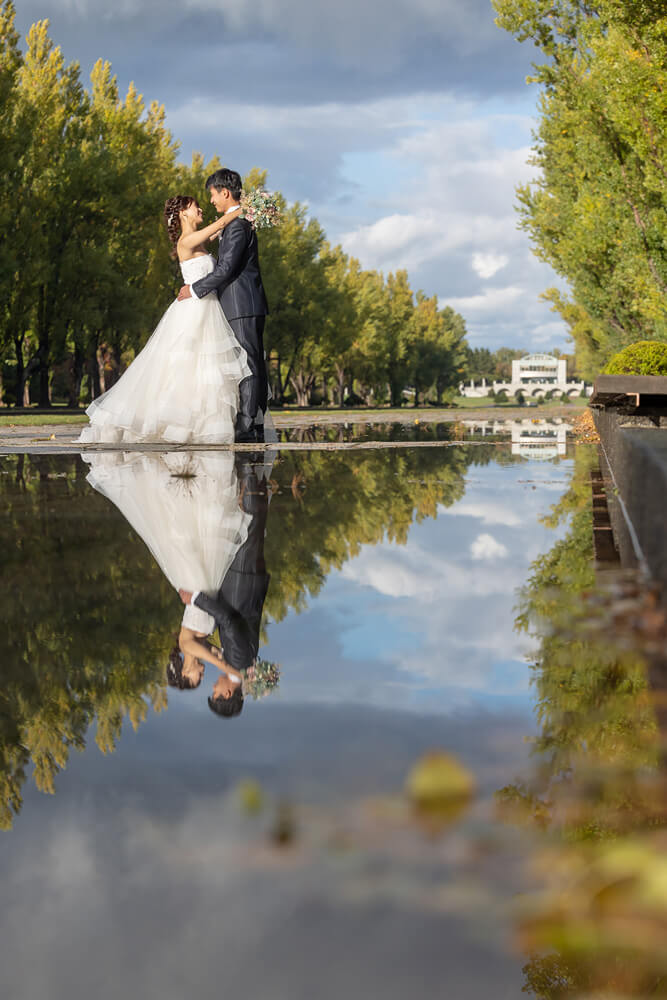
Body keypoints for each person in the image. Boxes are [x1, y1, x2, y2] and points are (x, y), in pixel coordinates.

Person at [77, 195, 251, 445]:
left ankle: (203, 425)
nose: (201, 208)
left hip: (209, 309)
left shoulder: (198, 239)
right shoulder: (187, 240)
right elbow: (221, 223)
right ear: (183, 213)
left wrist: (247, 216)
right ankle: (177, 423)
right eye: (194, 207)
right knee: (185, 367)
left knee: (204, 370)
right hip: (193, 311)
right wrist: (245, 207)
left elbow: (220, 229)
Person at [178, 168, 269, 444]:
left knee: (248, 364)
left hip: (242, 303)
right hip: (241, 303)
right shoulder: (236, 222)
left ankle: (247, 424)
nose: (212, 201)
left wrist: (194, 289)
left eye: (213, 195)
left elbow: (227, 268)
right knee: (251, 362)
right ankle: (254, 423)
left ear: (225, 192)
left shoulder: (238, 224)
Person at [179, 452, 271, 718]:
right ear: (226, 694)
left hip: (251, 585)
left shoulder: (242, 665)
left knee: (252, 529)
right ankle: (249, 467)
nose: (213, 686)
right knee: (249, 527)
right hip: (242, 583)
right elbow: (229, 620)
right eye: (215, 691)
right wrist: (195, 598)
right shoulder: (239, 662)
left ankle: (251, 471)